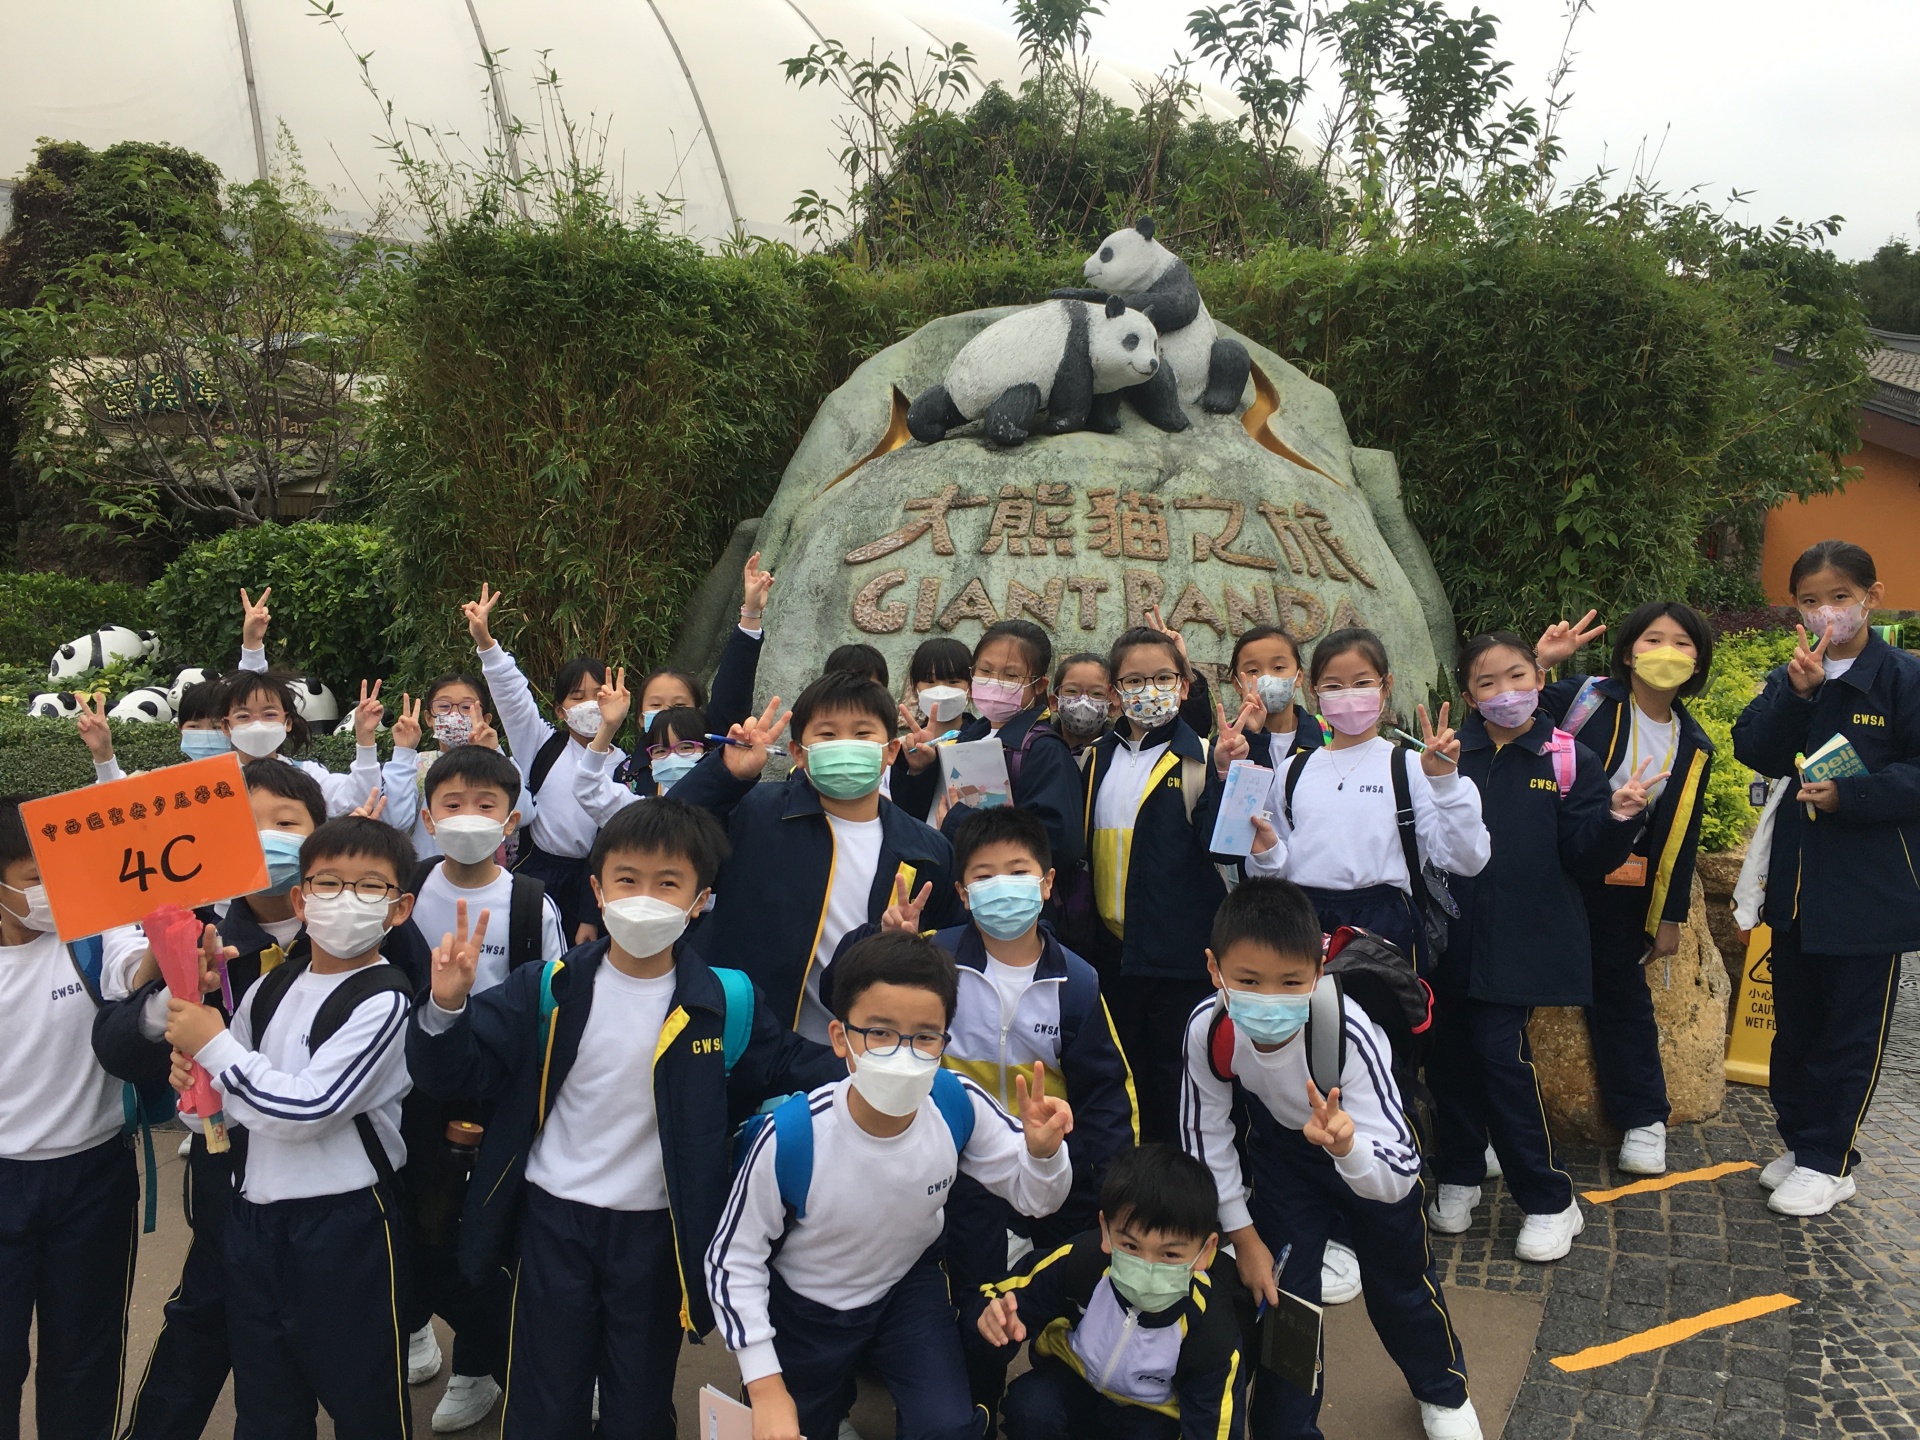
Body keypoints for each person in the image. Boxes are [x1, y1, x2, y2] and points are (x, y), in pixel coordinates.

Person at [407, 798, 840, 1438]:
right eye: (627, 879)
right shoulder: (548, 987)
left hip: (656, 1231)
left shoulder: (725, 1002)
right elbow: (454, 1075)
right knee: (544, 1399)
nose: (644, 899)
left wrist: (888, 1058)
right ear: (598, 890)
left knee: (638, 1401)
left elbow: (794, 1066)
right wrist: (446, 1009)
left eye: (668, 884)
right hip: (553, 1219)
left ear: (700, 900)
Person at [707, 930, 1075, 1440]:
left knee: (947, 1428)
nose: (903, 1053)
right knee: (787, 1427)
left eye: (924, 1036)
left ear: (945, 1041)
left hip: (907, 1290)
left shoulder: (954, 1103)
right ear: (841, 1038)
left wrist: (1043, 1153)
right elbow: (732, 1262)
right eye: (879, 1032)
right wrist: (765, 1386)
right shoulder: (792, 1138)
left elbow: (1036, 1197)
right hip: (807, 1308)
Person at [1180, 878, 1480, 1440]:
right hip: (1285, 1159)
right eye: (1249, 981)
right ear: (1215, 969)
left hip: (1366, 1149)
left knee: (1400, 1285)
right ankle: (1286, 1427)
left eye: (1290, 982)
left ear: (1318, 973)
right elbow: (1204, 1134)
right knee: (1284, 1295)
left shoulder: (1347, 1030)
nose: (1269, 1000)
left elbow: (1401, 1170)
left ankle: (1444, 1391)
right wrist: (1244, 1237)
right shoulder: (1210, 1027)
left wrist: (1347, 1147)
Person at [868, 805, 1137, 1421]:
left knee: (1064, 1281)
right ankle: (980, 1397)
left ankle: (1058, 1387)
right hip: (965, 1162)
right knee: (976, 1287)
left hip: (1055, 1160)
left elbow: (1107, 1094)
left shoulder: (1077, 982)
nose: (1002, 887)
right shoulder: (933, 960)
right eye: (984, 877)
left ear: (1046, 883)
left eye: (1018, 872)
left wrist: (1115, 1188)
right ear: (963, 894)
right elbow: (867, 1006)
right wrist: (889, 948)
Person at [162, 815, 423, 1440]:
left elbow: (309, 1108)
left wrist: (215, 1048)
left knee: (364, 1403)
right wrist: (194, 1088)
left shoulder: (384, 1000)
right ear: (301, 900)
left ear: (399, 908)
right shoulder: (271, 987)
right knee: (266, 1403)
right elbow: (222, 1113)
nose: (345, 899)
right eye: (328, 884)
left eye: (369, 886)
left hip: (344, 1227)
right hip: (255, 1222)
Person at [90, 761, 328, 1440]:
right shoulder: (198, 933)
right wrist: (172, 1000)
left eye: (286, 822)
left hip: (332, 1175)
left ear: (320, 833)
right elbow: (118, 1044)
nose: (267, 838)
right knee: (208, 1310)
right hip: (229, 1165)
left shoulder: (352, 929)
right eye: (247, 827)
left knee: (317, 1327)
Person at [1424, 633, 1652, 1262]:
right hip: (1450, 940)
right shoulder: (1448, 755)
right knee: (1448, 1058)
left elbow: (1583, 858)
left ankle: (1550, 1200)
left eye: (1517, 676)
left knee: (1500, 1057)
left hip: (1524, 940)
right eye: (1487, 682)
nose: (1505, 693)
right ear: (1468, 694)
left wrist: (1617, 819)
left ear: (1540, 678)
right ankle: (1461, 1173)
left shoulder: (1567, 757)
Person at [1733, 539, 1920, 1216]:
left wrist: (1854, 794)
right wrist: (1797, 694)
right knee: (1795, 1028)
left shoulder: (1902, 678)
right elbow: (1753, 747)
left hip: (1870, 892)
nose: (1827, 612)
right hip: (1795, 888)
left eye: (1841, 597)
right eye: (1811, 601)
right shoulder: (1794, 675)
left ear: (1872, 597)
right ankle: (1801, 1142)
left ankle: (1829, 1160)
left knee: (1849, 1033)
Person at [400, 744, 566, 1427]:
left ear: (511, 820)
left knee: (485, 1233)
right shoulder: (406, 890)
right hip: (408, 1084)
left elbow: (553, 1003)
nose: (468, 816)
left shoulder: (529, 903)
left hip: (496, 1094)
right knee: (411, 1217)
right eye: (452, 804)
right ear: (428, 818)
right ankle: (413, 1325)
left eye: (485, 804)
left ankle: (477, 1365)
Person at [671, 673, 965, 1041]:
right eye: (827, 734)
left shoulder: (927, 850)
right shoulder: (755, 814)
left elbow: (957, 948)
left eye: (862, 734)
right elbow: (664, 835)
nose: (845, 745)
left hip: (864, 1052)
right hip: (744, 1038)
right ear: (798, 753)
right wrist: (725, 774)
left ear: (891, 750)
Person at [1534, 602, 1717, 1176]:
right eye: (1652, 639)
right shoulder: (1585, 699)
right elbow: (1508, 716)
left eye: (1682, 643)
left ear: (1698, 662)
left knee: (1622, 996)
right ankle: (1490, 1121)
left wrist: (1669, 916)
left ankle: (1644, 1120)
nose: (1666, 652)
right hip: (1546, 868)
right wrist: (1540, 663)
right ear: (1628, 652)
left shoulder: (1693, 743)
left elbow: (1681, 836)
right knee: (1511, 988)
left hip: (1621, 881)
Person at [0, 797, 142, 1440]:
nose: (51, 894)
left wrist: (171, 953)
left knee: (84, 1356)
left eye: (59, 876)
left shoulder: (92, 930)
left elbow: (132, 966)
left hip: (92, 1178)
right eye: (35, 880)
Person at [1235, 627, 1490, 969]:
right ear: (1314, 692)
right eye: (1333, 686)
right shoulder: (1293, 770)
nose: (1349, 694)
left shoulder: (1409, 766)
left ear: (1386, 685)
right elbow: (1269, 874)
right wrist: (1266, 852)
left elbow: (1467, 860)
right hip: (1304, 924)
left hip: (1386, 924)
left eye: (1362, 682)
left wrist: (1446, 783)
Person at [973, 1144, 1250, 1440]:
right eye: (1131, 1246)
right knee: (1031, 1408)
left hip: (1151, 1415)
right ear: (1105, 1230)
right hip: (1074, 1378)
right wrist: (994, 1317)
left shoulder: (1212, 1328)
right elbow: (1001, 1295)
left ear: (1206, 1250)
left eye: (1169, 1254)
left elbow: (1214, 1428)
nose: (1147, 1267)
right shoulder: (1082, 1262)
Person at [1081, 625, 1226, 1144]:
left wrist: (1228, 778)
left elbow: (1226, 849)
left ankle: (1183, 1180)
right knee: (1120, 1076)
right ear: (1115, 692)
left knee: (1179, 1082)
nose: (1151, 690)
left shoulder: (1203, 758)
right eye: (1135, 681)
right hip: (1112, 956)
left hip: (1180, 958)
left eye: (1164, 678)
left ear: (1184, 686)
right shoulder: (1095, 758)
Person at [464, 582, 614, 944]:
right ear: (560, 710)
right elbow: (514, 698)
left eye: (598, 695)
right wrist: (486, 642)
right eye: (577, 697)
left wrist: (590, 912)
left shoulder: (628, 764)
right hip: (539, 873)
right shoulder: (542, 744)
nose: (589, 705)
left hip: (597, 883)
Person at [896, 618, 1085, 874]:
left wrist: (960, 823)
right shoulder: (965, 739)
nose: (994, 682)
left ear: (1039, 685)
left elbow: (1057, 843)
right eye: (985, 671)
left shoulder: (1044, 750)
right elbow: (913, 819)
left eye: (1011, 675)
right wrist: (918, 771)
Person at [214, 668, 391, 818]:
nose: (257, 725)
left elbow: (360, 799)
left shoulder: (307, 774)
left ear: (288, 722)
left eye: (269, 715)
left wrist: (365, 739)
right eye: (243, 716)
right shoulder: (211, 780)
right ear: (225, 726)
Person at [376, 672, 504, 862]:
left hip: (484, 874)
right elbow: (395, 821)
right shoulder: (413, 765)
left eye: (466, 707)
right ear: (429, 718)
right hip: (423, 874)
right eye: (444, 707)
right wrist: (403, 752)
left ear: (485, 719)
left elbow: (523, 814)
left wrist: (495, 754)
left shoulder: (498, 765)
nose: (454, 715)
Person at [75, 677, 232, 784]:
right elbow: (118, 802)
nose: (206, 733)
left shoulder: (246, 776)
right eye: (194, 727)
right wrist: (103, 754)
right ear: (180, 729)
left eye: (217, 727)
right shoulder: (164, 780)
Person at [892, 638, 975, 811]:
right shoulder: (903, 750)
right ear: (915, 688)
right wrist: (916, 771)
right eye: (930, 681)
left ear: (970, 687)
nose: (941, 690)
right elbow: (900, 811)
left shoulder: (983, 741)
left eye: (953, 681)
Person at [1225, 624, 1322, 768]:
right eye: (1253, 671)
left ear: (1299, 676)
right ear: (1237, 683)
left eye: (1278, 667)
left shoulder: (1326, 737)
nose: (1267, 678)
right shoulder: (1225, 744)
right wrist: (1252, 736)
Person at [1051, 652, 1115, 757]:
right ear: (1054, 702)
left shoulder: (1119, 754)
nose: (1084, 701)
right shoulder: (1038, 748)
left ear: (1112, 707)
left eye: (1097, 693)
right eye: (1072, 691)